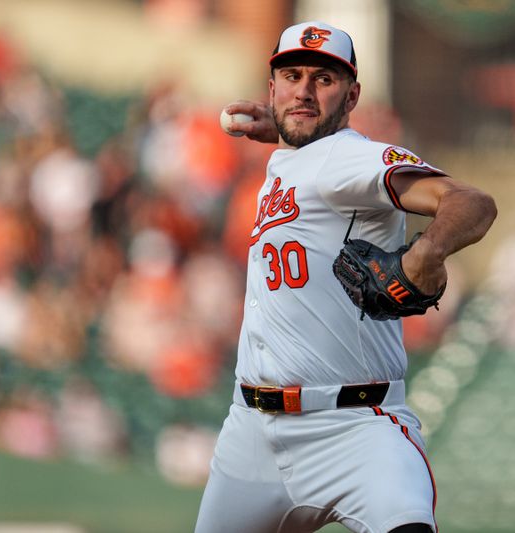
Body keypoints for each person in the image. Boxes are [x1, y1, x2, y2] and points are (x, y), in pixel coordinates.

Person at [193, 21, 497, 533]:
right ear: (272, 89)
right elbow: (307, 148)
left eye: (324, 80)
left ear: (352, 95)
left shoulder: (350, 156)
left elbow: (472, 203)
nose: (305, 90)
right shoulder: (295, 157)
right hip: (252, 431)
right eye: (293, 76)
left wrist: (423, 255)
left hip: (354, 427)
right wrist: (288, 126)